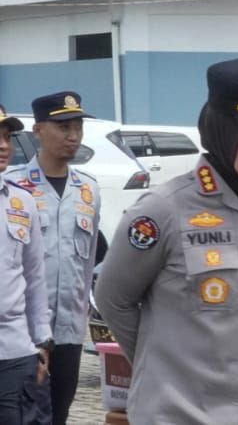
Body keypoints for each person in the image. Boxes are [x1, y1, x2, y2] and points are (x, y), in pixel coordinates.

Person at [94, 58, 238, 425]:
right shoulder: (162, 211)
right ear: (222, 132)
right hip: (182, 412)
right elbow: (113, 299)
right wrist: (162, 368)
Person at [3, 92, 98, 425]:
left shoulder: (88, 190)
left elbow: (86, 265)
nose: (72, 136)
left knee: (60, 414)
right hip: (23, 333)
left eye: (77, 127)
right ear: (39, 130)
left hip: (70, 328)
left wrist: (84, 311)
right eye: (62, 127)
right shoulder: (13, 187)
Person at [0, 154, 49, 425]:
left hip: (13, 349)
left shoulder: (22, 201)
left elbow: (35, 276)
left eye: (7, 136)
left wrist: (42, 341)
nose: (3, 144)